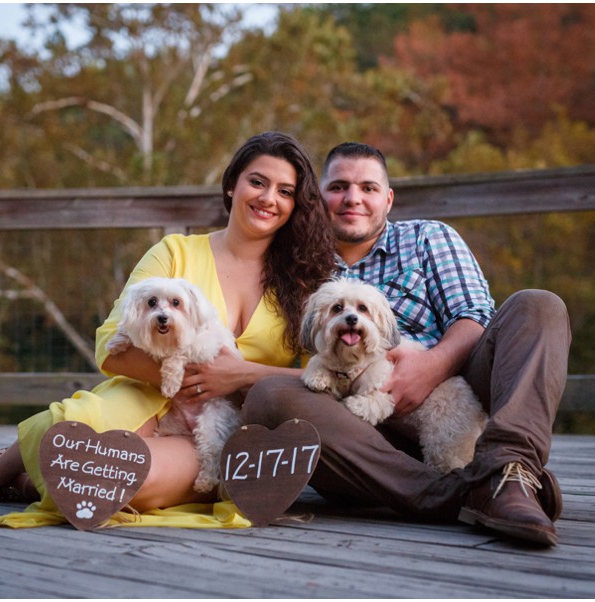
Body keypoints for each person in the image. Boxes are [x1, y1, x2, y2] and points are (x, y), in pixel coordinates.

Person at [0, 132, 336, 528]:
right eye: (258, 182)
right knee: (67, 430)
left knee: (125, 480)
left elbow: (318, 379)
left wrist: (243, 375)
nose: (269, 198)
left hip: (218, 427)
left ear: (295, 205)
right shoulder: (174, 252)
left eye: (285, 191)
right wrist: (183, 377)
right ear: (232, 185)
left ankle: (33, 482)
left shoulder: (304, 285)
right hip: (143, 395)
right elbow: (109, 346)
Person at [242, 142, 571, 546]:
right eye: (339, 186)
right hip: (360, 436)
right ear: (317, 196)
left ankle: (509, 466)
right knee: (271, 396)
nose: (353, 198)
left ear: (389, 198)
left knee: (538, 306)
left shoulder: (428, 237)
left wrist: (432, 365)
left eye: (368, 187)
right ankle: (470, 491)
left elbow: (475, 317)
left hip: (457, 393)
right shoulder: (294, 265)